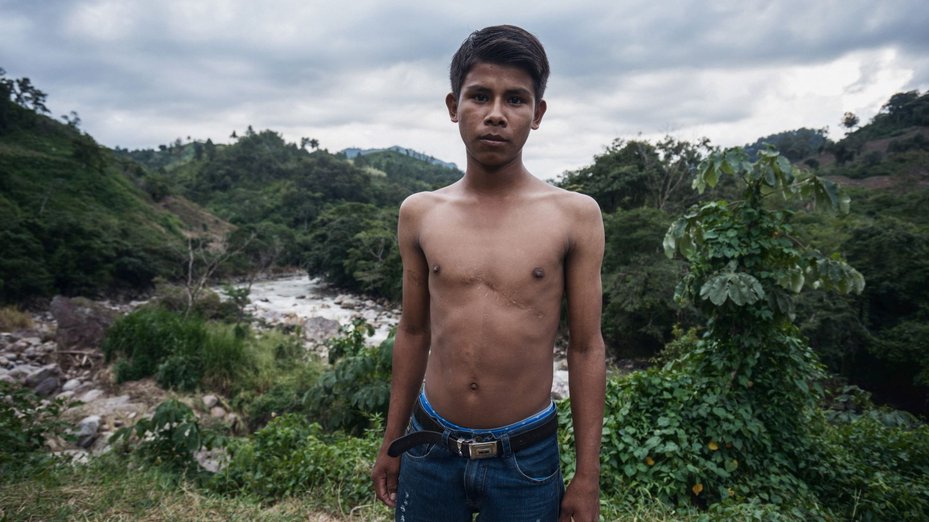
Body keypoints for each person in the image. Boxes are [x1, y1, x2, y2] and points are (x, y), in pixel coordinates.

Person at [371, 24, 605, 522]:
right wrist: (393, 440)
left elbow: (587, 348)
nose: (496, 114)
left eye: (515, 100)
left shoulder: (575, 216)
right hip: (430, 446)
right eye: (480, 96)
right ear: (454, 106)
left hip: (527, 455)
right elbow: (413, 331)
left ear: (537, 114)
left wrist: (587, 477)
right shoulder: (421, 213)